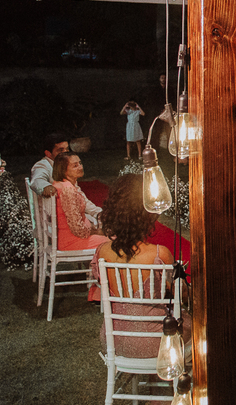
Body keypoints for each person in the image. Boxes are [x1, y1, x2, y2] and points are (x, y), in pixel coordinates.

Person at [89, 174, 183, 358]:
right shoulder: (159, 254)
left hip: (113, 340)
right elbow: (180, 294)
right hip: (155, 341)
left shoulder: (101, 252)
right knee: (195, 326)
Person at [51, 152, 109, 251]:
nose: (80, 167)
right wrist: (95, 231)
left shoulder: (62, 184)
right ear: (63, 170)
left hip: (73, 238)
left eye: (80, 163)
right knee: (116, 242)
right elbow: (77, 229)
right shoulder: (67, 190)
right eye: (75, 166)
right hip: (72, 241)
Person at [30, 133, 70, 198]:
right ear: (48, 154)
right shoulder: (42, 165)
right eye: (61, 150)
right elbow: (37, 180)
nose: (66, 153)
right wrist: (45, 186)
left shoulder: (67, 164)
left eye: (67, 149)